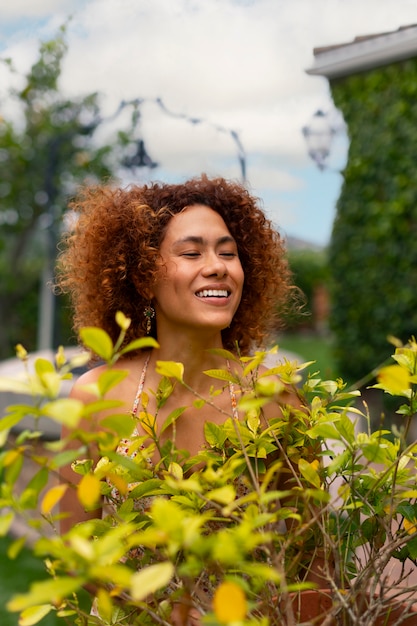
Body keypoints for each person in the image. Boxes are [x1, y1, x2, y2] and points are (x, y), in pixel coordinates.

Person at [56, 174, 297, 621]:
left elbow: (315, 549)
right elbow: (76, 550)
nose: (218, 266)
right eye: (191, 253)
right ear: (144, 278)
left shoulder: (274, 397)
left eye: (228, 253)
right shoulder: (96, 397)